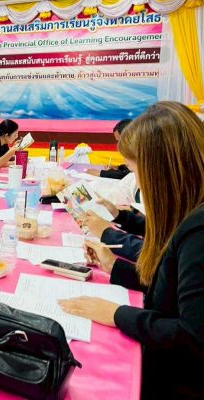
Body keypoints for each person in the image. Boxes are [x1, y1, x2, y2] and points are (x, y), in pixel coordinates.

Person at [59, 101, 204, 399]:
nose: (137, 183)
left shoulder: (198, 232)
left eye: (137, 172)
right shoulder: (187, 216)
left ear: (163, 171)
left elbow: (192, 338)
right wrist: (115, 267)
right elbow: (168, 286)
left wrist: (116, 314)